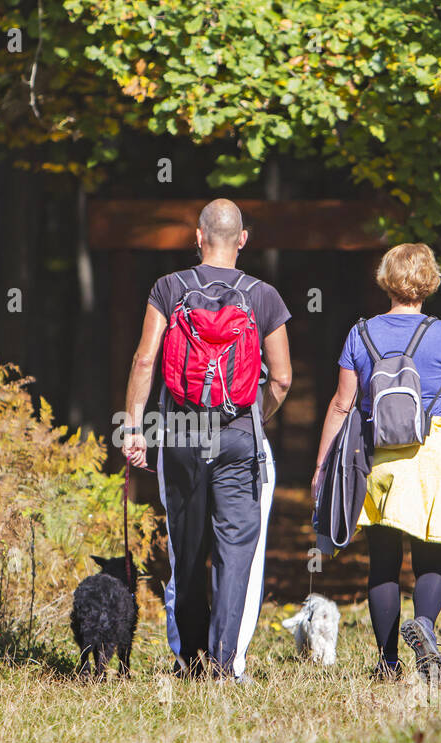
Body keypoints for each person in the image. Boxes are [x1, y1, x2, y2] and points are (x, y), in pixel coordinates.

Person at [313, 243, 441, 682]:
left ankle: (387, 662)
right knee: (432, 554)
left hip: (376, 461)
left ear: (386, 279)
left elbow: (341, 407)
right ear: (430, 281)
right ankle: (427, 627)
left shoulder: (359, 333)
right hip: (428, 457)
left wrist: (322, 468)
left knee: (382, 560)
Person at [122, 199, 293, 681]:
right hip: (239, 437)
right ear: (243, 239)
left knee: (188, 548)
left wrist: (134, 428)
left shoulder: (168, 288)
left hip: (180, 434)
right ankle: (224, 664)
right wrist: (252, 419)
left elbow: (143, 361)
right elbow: (280, 379)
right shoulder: (264, 296)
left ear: (198, 237)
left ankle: (190, 661)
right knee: (237, 549)